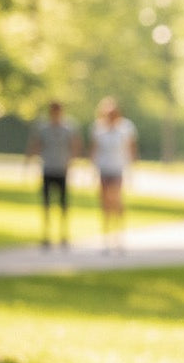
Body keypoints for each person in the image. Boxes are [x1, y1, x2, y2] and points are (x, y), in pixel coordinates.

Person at [25, 101, 81, 248]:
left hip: (62, 169)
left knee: (63, 204)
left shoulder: (69, 127)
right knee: (46, 204)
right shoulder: (43, 128)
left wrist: (72, 163)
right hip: (48, 168)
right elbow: (36, 144)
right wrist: (29, 161)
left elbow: (75, 146)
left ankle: (63, 234)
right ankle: (46, 234)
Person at [89, 97, 138, 253]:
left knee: (116, 202)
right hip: (104, 169)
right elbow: (94, 151)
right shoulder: (98, 129)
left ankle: (119, 238)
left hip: (117, 169)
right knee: (105, 204)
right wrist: (92, 170)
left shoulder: (126, 128)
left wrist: (131, 169)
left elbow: (131, 149)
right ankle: (106, 238)